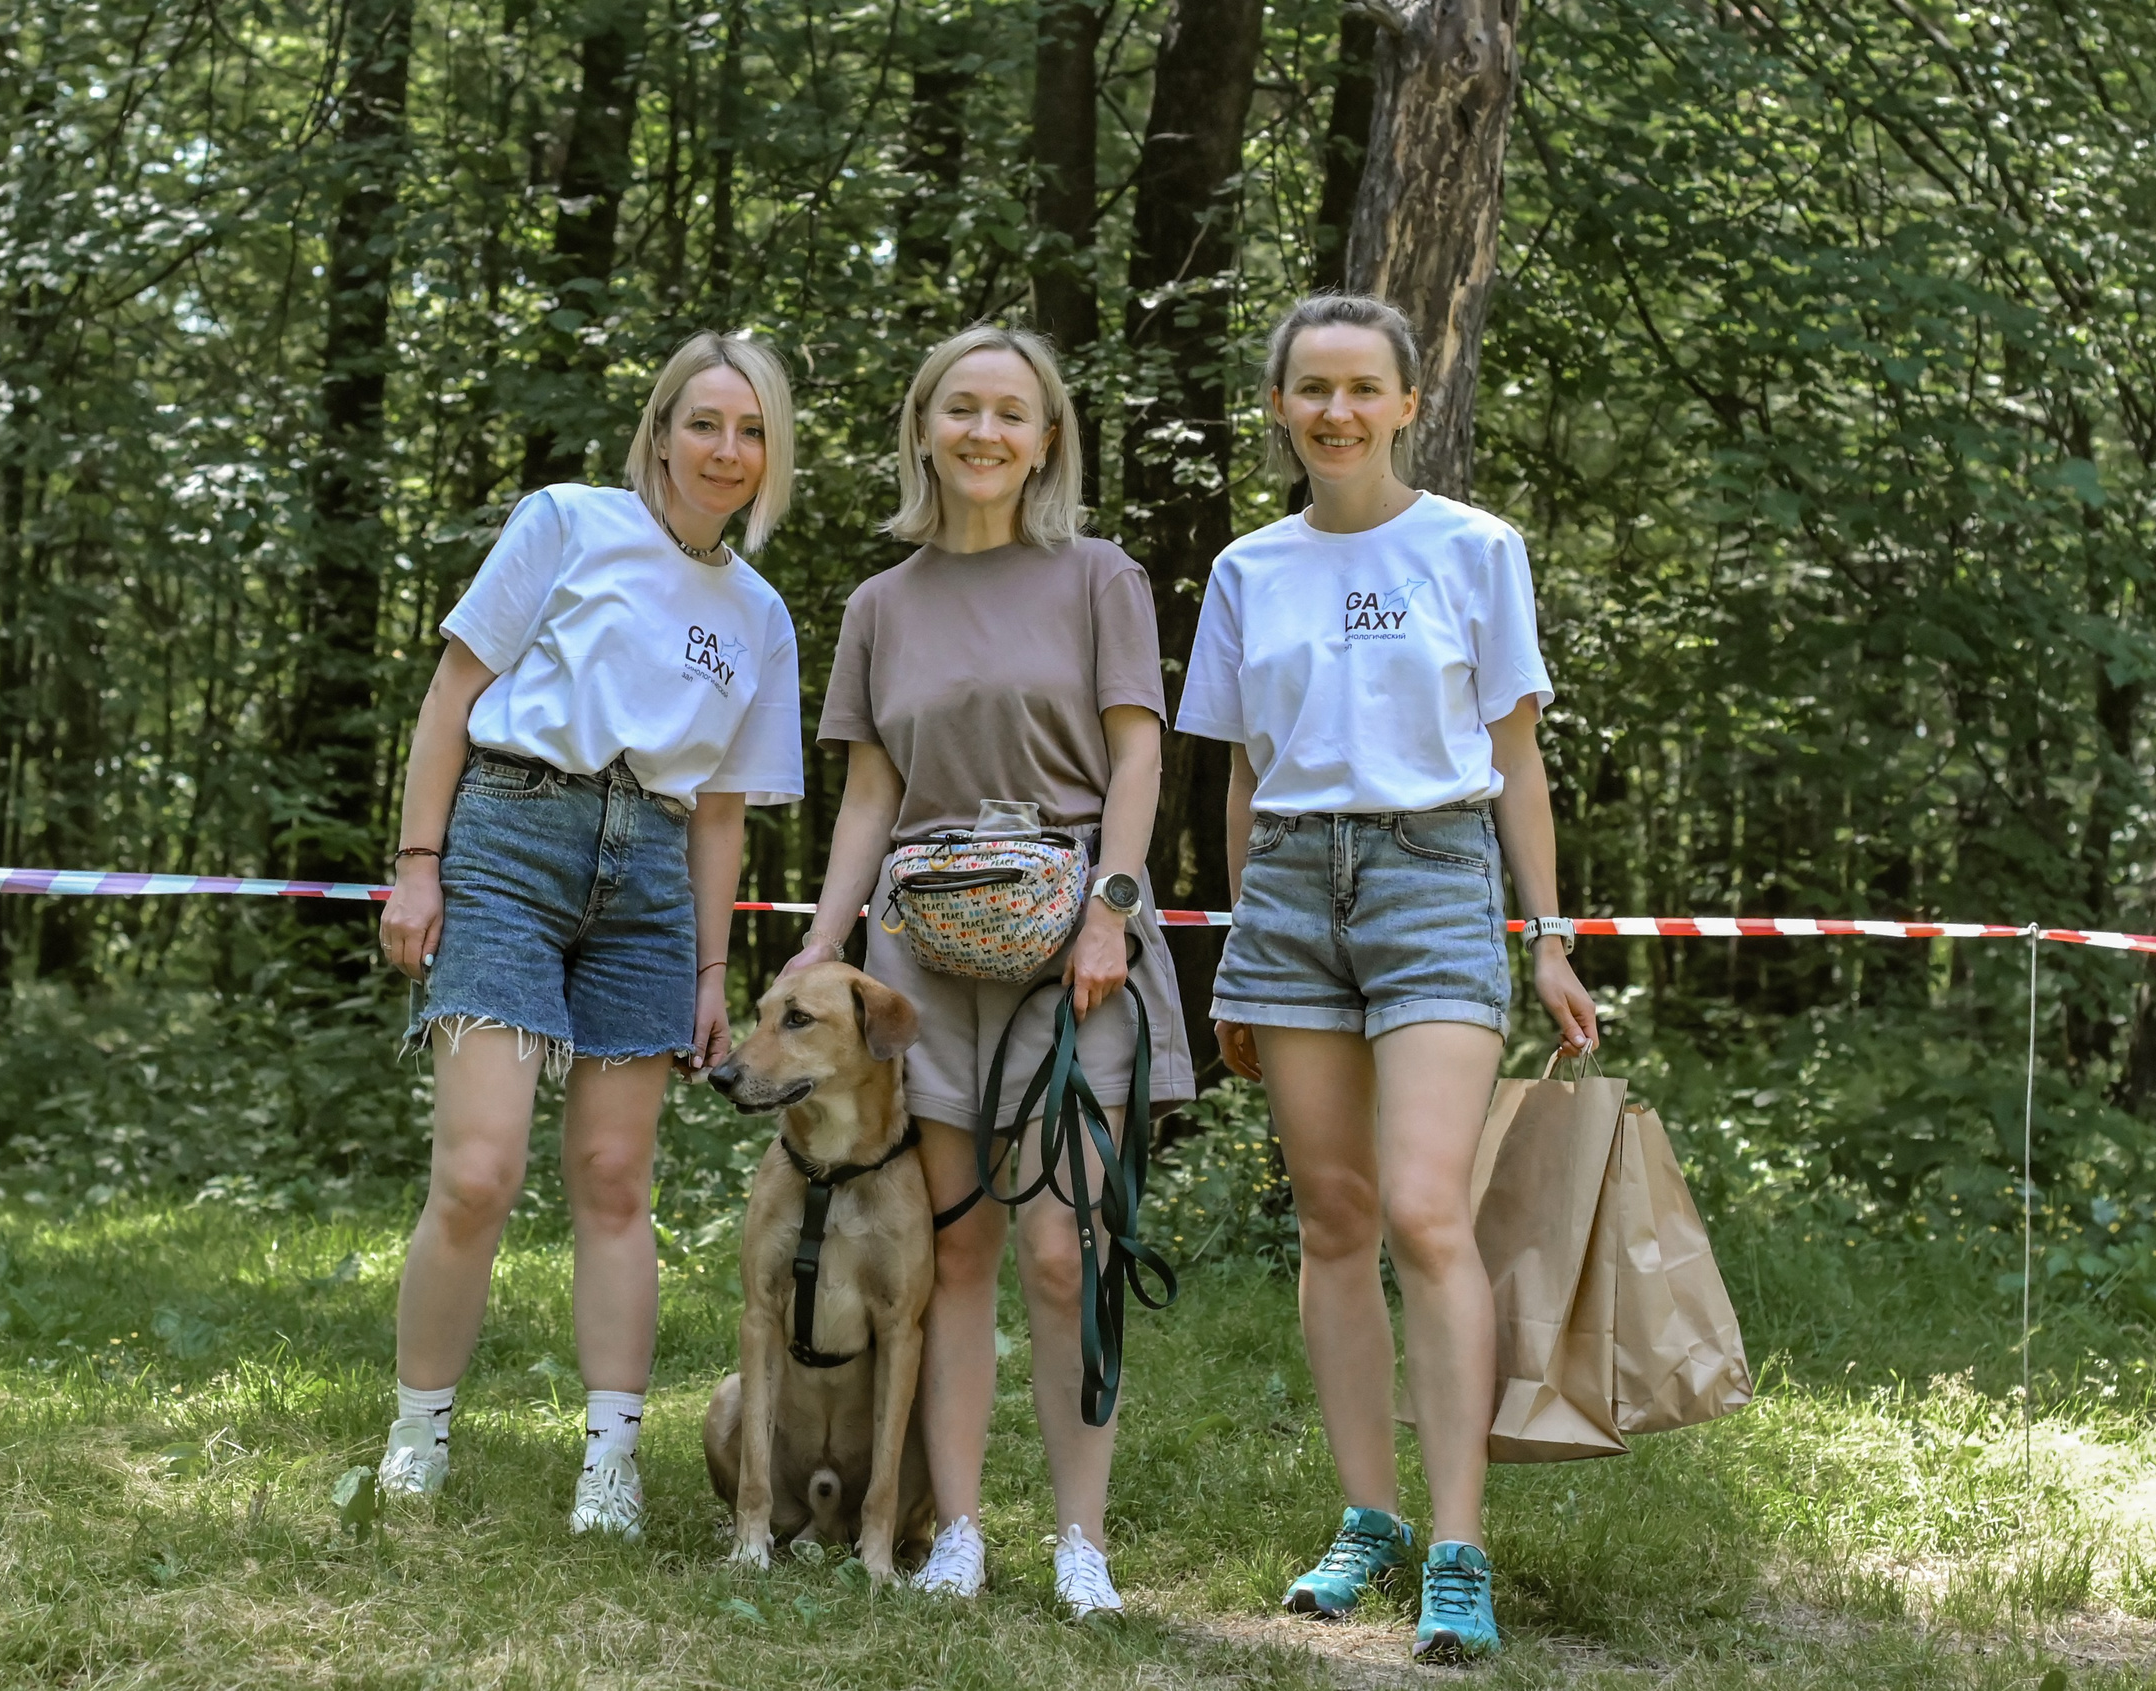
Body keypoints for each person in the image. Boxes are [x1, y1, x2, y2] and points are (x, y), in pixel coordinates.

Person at [1178, 293, 1600, 1664]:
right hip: (1293, 888)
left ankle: (1460, 1545)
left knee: (1427, 1209)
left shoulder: (1477, 549)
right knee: (1336, 1214)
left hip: (1437, 879)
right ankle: (1370, 1514)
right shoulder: (1248, 568)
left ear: (1411, 402)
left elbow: (1519, 757)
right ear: (1283, 404)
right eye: (1313, 388)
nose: (1339, 411)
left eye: (1366, 388)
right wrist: (1243, 947)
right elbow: (1243, 773)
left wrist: (1548, 935)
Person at [781, 324, 1196, 1616]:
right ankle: (958, 1527)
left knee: (1065, 1249)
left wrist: (1112, 910)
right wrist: (824, 938)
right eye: (959, 408)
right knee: (953, 1254)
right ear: (922, 426)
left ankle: (1083, 1539)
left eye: (1011, 412)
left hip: (1075, 945)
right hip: (922, 956)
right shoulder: (877, 605)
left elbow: (1138, 758)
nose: (983, 431)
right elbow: (867, 797)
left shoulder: (1100, 578)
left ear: (1048, 437)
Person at [374, 332, 805, 1538]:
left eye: (753, 430)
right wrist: (418, 868)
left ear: (773, 455)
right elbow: (453, 693)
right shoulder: (566, 519)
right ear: (662, 427)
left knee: (616, 1178)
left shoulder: (760, 615)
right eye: (707, 422)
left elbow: (721, 810)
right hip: (512, 837)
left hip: (654, 882)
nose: (727, 450)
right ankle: (419, 1432)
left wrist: (715, 970)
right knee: (479, 1168)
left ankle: (609, 1461)